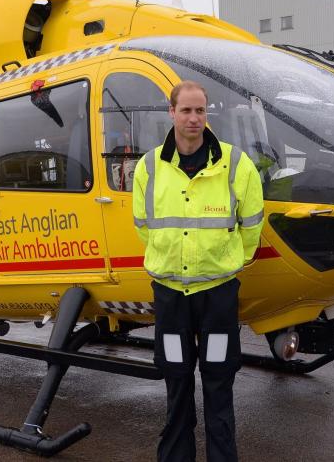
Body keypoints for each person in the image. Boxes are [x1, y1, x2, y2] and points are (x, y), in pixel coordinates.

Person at [132, 80, 264, 462]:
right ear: (171, 112)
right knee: (176, 380)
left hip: (218, 296)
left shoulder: (236, 165)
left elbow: (252, 226)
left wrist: (231, 261)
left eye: (200, 111)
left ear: (208, 115)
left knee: (219, 381)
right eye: (186, 110)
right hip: (171, 296)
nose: (194, 118)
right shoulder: (149, 167)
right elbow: (143, 225)